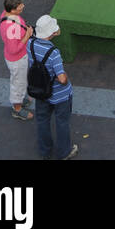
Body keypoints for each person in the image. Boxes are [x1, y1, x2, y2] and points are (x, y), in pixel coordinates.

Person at [29, 15, 77, 161]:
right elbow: (62, 79)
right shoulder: (54, 53)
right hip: (59, 95)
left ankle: (45, 151)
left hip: (40, 91)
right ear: (51, 33)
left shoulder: (30, 44)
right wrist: (64, 77)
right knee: (62, 122)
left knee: (42, 120)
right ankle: (64, 152)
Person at [0, 0, 34, 121]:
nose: (23, 7)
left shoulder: (6, 15)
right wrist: (27, 35)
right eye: (20, 7)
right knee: (18, 84)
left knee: (20, 81)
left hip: (17, 58)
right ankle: (17, 109)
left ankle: (19, 100)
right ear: (12, 10)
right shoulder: (11, 28)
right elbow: (13, 50)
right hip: (17, 60)